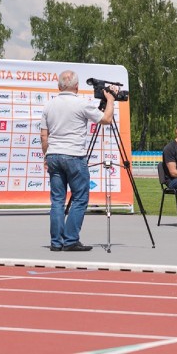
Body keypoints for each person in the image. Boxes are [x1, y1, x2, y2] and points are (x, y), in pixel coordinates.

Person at [40, 70, 116, 252]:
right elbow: (106, 119)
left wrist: (46, 156)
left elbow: (44, 136)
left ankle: (56, 242)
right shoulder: (81, 104)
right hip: (74, 155)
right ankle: (71, 239)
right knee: (80, 198)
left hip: (54, 154)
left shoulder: (49, 106)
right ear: (77, 87)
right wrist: (111, 100)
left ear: (59, 87)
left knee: (57, 200)